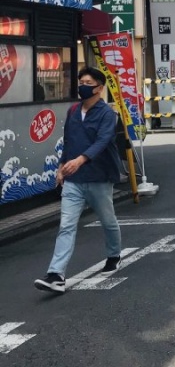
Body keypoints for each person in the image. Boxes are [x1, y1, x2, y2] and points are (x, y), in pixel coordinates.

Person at [34, 67, 122, 294]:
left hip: (99, 177)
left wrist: (81, 160)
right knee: (66, 226)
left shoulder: (108, 115)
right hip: (74, 179)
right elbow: (69, 141)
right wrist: (62, 166)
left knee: (108, 220)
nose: (82, 85)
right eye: (81, 81)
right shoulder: (73, 111)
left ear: (100, 88)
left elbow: (103, 141)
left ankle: (114, 254)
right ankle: (56, 275)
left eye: (88, 82)